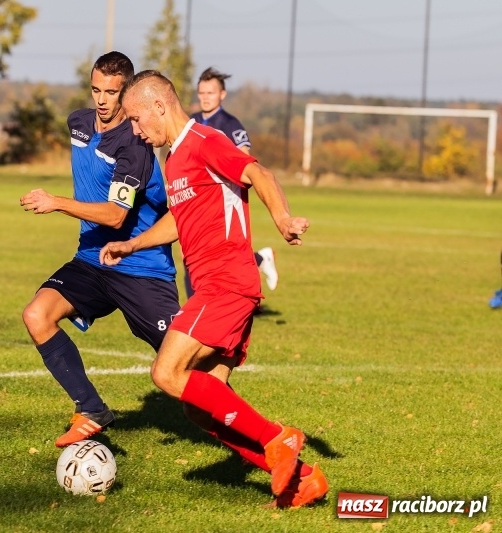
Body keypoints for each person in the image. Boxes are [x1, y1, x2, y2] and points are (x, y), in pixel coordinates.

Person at [100, 70, 328, 508]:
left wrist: (281, 219)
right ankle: (301, 481)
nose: (133, 128)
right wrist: (132, 243)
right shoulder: (174, 161)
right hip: (217, 287)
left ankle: (279, 439)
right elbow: (178, 220)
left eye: (134, 118)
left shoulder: (205, 141)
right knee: (196, 406)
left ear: (159, 107)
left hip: (225, 284)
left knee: (165, 374)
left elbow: (257, 172)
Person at [20, 52, 179, 448]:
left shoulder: (135, 145)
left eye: (111, 92)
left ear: (127, 93)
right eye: (96, 90)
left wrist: (57, 201)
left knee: (182, 367)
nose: (102, 100)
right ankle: (91, 408)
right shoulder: (77, 123)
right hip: (91, 258)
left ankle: (253, 435)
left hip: (139, 266)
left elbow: (113, 215)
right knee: (37, 314)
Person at [182, 67, 278, 297]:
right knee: (192, 250)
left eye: (210, 93)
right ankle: (198, 303)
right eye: (202, 92)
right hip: (195, 196)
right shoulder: (191, 122)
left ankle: (199, 304)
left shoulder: (230, 124)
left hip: (222, 198)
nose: (205, 97)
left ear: (222, 95)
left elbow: (245, 159)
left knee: (222, 251)